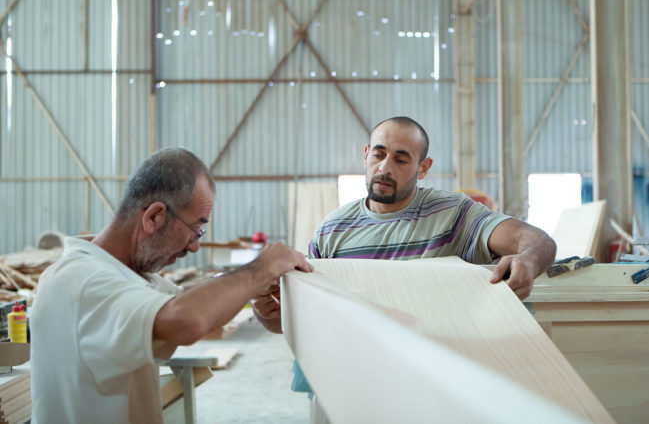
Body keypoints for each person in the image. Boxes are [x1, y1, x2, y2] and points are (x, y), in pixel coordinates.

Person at [30, 148, 312, 424]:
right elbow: (185, 318)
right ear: (154, 216)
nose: (195, 245)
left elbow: (182, 298)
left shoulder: (124, 274)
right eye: (195, 229)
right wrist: (260, 269)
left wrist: (253, 288)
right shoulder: (83, 280)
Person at [253, 116, 556, 334]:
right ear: (365, 155)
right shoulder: (331, 230)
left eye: (401, 159)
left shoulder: (454, 214)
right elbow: (306, 315)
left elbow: (531, 238)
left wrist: (529, 260)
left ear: (423, 168)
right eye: (379, 154)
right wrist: (268, 314)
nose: (384, 168)